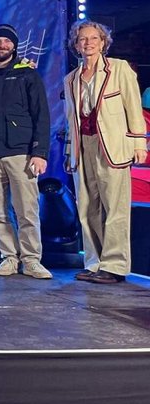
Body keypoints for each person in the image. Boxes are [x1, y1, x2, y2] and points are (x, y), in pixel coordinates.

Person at [64, 20, 147, 284]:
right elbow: (70, 119)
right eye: (82, 39)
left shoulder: (119, 69)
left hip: (112, 145)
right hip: (84, 147)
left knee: (115, 207)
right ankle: (94, 262)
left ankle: (115, 265)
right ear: (76, 45)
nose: (87, 43)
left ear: (103, 43)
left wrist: (139, 144)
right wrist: (70, 151)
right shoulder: (72, 79)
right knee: (87, 207)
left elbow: (133, 108)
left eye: (93, 38)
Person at [0, 24, 52, 279]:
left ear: (14, 46)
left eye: (7, 42)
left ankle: (31, 259)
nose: (2, 45)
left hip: (21, 153)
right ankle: (9, 257)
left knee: (26, 210)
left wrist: (40, 152)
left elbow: (42, 115)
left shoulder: (27, 74)